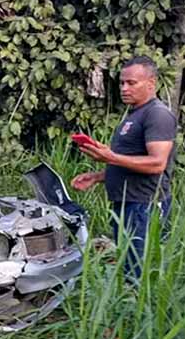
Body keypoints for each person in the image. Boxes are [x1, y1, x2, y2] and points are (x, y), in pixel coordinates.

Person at [71, 56, 177, 281]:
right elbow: (130, 161)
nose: (124, 88)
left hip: (144, 206)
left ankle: (142, 314)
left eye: (132, 83)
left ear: (151, 83)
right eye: (122, 83)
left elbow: (157, 163)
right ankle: (129, 312)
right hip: (127, 204)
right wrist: (99, 176)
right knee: (128, 267)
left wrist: (110, 156)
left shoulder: (157, 114)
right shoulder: (134, 115)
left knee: (139, 273)